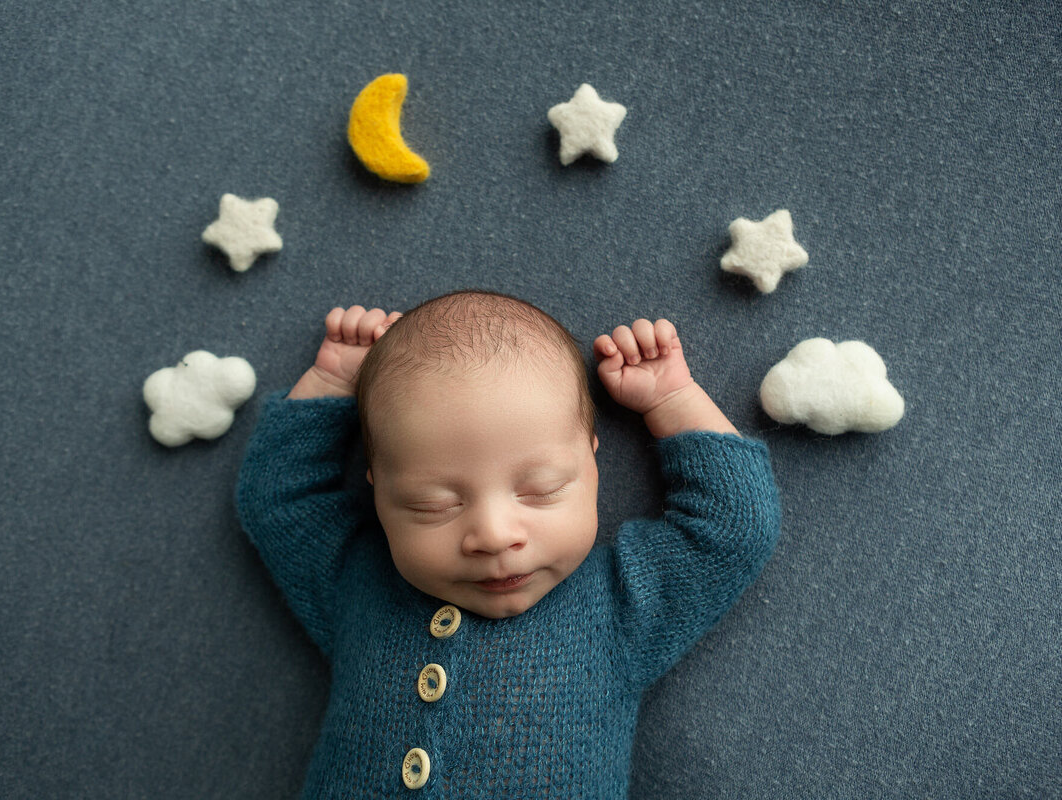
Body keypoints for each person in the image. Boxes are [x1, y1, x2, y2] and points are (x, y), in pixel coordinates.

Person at [236, 289, 780, 797]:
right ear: (376, 487)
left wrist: (673, 400)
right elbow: (278, 503)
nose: (494, 536)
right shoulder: (357, 584)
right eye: (434, 505)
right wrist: (331, 384)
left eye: (540, 491)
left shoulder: (621, 605)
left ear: (592, 461)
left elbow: (734, 527)